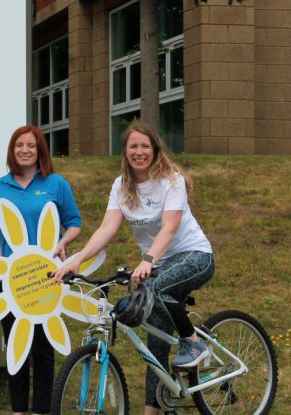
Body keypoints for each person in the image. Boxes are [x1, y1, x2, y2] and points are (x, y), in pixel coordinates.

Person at [53, 122, 215, 415]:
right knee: (155, 339)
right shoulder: (121, 186)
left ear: (154, 149)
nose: (139, 152)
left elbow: (169, 228)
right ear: (125, 152)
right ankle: (152, 410)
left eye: (144, 146)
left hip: (194, 255)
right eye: (133, 147)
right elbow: (107, 229)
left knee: (156, 287)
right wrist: (77, 259)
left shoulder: (171, 180)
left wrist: (148, 260)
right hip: (159, 263)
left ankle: (193, 343)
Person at [0, 125, 81, 415]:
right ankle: (18, 410)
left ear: (40, 150)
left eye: (30, 145)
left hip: (46, 278)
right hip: (11, 280)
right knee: (16, 347)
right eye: (19, 145)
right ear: (11, 151)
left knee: (42, 349)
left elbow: (74, 222)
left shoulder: (55, 183)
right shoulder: (1, 185)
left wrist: (63, 242)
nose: (24, 150)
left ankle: (41, 409)